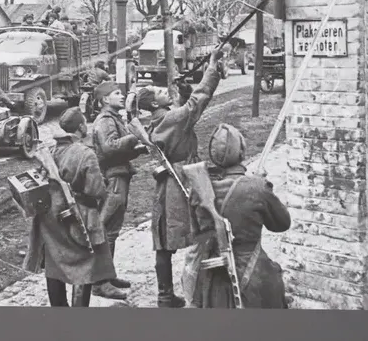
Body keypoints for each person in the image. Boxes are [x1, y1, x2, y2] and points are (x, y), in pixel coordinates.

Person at [139, 51, 224, 308]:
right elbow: (197, 104)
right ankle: (205, 290)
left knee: (163, 243)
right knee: (206, 228)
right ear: (154, 105)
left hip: (168, 183)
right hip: (184, 180)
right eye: (158, 91)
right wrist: (211, 70)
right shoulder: (173, 119)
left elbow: (185, 108)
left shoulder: (159, 120)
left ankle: (165, 296)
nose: (163, 90)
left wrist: (183, 92)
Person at [182, 124, 291, 309]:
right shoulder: (256, 187)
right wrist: (261, 186)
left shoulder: (198, 189)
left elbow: (195, 233)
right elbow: (281, 224)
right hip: (255, 276)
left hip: (212, 282)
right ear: (241, 152)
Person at [23, 108, 119, 307]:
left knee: (54, 264)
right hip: (80, 217)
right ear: (81, 127)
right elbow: (95, 191)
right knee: (85, 267)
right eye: (85, 124)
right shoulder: (86, 153)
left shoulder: (50, 150)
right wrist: (104, 185)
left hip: (51, 216)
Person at [90, 81, 145, 300]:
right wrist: (135, 136)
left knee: (112, 231)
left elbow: (117, 149)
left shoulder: (113, 119)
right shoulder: (105, 121)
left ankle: (108, 275)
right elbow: (109, 148)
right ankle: (100, 283)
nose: (122, 96)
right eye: (116, 93)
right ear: (104, 100)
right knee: (106, 231)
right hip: (113, 179)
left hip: (119, 175)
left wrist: (136, 149)